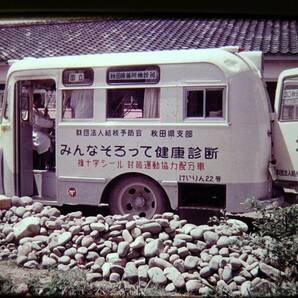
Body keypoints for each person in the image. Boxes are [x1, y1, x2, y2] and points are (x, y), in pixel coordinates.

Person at [32, 93, 54, 170]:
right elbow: (40, 122)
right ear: (34, 101)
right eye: (39, 100)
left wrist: (46, 114)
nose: (40, 102)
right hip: (34, 134)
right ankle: (47, 163)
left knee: (50, 139)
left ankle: (48, 163)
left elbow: (44, 121)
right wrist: (52, 123)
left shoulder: (39, 112)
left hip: (40, 133)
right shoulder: (32, 111)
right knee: (47, 140)